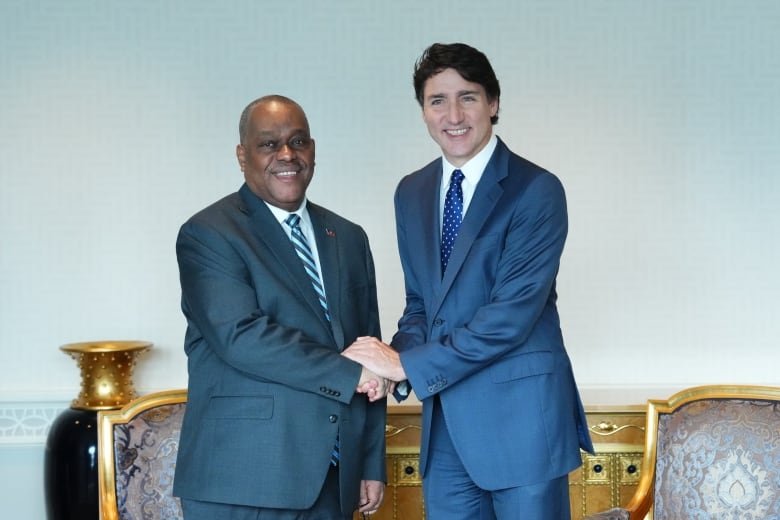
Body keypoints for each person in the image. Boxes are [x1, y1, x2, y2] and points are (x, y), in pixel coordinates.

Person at [342, 43, 594, 519]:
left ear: (494, 104)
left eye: (469, 97)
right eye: (438, 100)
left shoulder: (536, 190)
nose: (453, 115)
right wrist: (388, 361)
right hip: (447, 433)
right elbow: (421, 305)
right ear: (423, 111)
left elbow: (509, 318)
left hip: (523, 427)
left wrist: (403, 367)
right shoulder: (411, 192)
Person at [173, 95, 388, 520]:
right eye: (269, 144)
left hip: (333, 478)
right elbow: (241, 336)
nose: (287, 155)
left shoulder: (347, 237)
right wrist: (348, 374)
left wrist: (369, 462)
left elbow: (369, 349)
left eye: (297, 142)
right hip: (246, 478)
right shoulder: (208, 233)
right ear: (242, 155)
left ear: (312, 149)